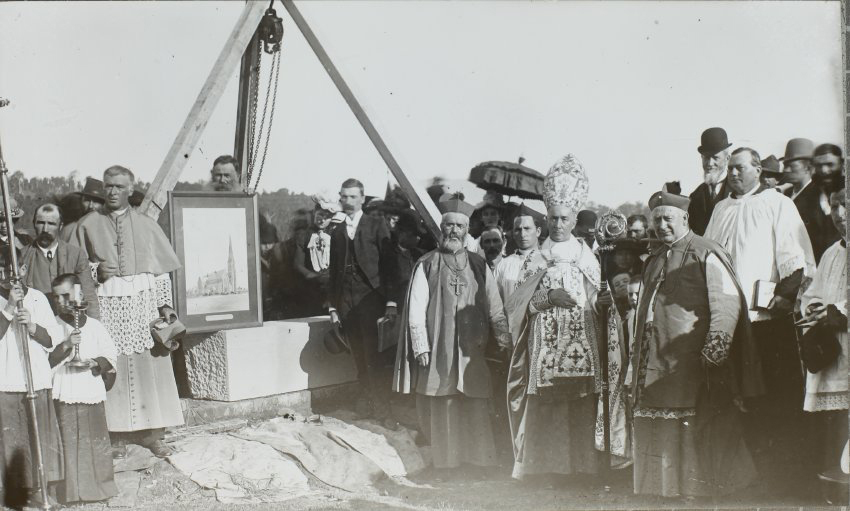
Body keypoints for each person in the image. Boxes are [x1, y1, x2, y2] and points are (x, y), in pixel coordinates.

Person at [629, 190, 759, 498]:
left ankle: (697, 490)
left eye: (668, 219)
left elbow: (726, 302)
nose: (661, 225)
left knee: (696, 424)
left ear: (685, 218)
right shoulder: (656, 258)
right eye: (657, 219)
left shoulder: (705, 251)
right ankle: (664, 489)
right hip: (655, 354)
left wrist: (716, 346)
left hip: (690, 359)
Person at [505, 154, 626, 480]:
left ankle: (583, 470)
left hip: (581, 351)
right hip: (544, 350)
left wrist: (603, 303)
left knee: (580, 404)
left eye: (564, 218)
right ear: (547, 219)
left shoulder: (587, 256)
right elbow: (517, 308)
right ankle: (546, 471)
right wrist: (546, 299)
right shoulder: (535, 258)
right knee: (548, 409)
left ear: (574, 220)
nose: (558, 224)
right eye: (553, 218)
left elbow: (600, 307)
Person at [704, 147, 815, 492]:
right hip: (726, 318)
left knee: (773, 397)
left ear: (758, 170)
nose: (733, 174)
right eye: (731, 169)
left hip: (764, 320)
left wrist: (780, 299)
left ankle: (784, 477)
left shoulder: (776, 204)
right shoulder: (721, 208)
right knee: (737, 400)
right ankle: (742, 476)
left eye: (740, 168)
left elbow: (796, 259)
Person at [72, 165, 183, 458]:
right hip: (108, 302)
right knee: (112, 363)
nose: (112, 191)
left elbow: (160, 272)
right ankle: (116, 435)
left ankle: (153, 434)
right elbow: (74, 270)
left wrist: (166, 305)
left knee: (150, 366)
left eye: (119, 186)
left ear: (130, 190)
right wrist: (96, 270)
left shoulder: (146, 224)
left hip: (143, 302)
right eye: (108, 186)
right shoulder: (87, 224)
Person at [393, 195, 511, 470]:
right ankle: (447, 465)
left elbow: (494, 305)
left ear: (467, 230)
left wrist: (504, 339)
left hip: (473, 349)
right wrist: (421, 346)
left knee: (475, 402)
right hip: (439, 348)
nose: (453, 231)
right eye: (449, 225)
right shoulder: (426, 263)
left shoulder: (479, 264)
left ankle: (480, 462)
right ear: (441, 228)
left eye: (459, 226)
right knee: (444, 401)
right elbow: (416, 310)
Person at [328, 178, 397, 420]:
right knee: (357, 352)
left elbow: (390, 265)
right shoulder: (336, 231)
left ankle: (383, 407)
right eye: (344, 196)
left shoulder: (376, 224)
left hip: (372, 297)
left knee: (374, 355)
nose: (348, 201)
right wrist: (333, 307)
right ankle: (368, 402)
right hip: (346, 299)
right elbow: (333, 269)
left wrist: (390, 301)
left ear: (362, 198)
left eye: (353, 197)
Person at [0, 245, 63, 508]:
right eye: (0, 269)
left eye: (12, 269)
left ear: (23, 269)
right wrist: (8, 309)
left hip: (35, 377)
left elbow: (53, 340)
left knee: (40, 436)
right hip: (7, 378)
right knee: (13, 440)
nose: (6, 274)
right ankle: (15, 494)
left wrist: (33, 327)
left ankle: (42, 489)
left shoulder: (38, 298)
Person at [48, 273, 118, 504]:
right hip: (65, 388)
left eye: (66, 296)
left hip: (89, 388)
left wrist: (96, 362)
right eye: (57, 298)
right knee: (69, 441)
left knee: (95, 439)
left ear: (78, 294)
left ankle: (99, 488)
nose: (61, 302)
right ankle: (71, 492)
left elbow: (110, 353)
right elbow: (45, 359)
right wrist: (66, 346)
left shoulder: (95, 326)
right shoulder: (52, 325)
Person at [797, 184, 847, 486]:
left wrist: (835, 312)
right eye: (835, 205)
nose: (839, 214)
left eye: (847, 204)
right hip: (833, 353)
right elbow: (812, 293)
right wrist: (815, 307)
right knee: (837, 426)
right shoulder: (832, 252)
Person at [20, 203, 100, 319]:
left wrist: (94, 327)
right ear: (34, 224)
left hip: (70, 323)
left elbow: (88, 295)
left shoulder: (76, 255)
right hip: (37, 323)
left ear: (60, 226)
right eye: (41, 223)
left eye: (51, 224)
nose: (45, 229)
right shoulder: (23, 256)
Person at [781, 138, 837, 263]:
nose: (786, 170)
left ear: (808, 168)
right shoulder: (786, 193)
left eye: (791, 166)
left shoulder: (820, 195)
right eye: (785, 165)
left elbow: (828, 238)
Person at [292, 197, 337, 317]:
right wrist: (309, 274)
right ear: (314, 213)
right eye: (320, 215)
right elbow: (298, 264)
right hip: (311, 284)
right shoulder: (304, 235)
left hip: (331, 283)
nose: (322, 220)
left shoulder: (335, 235)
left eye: (327, 217)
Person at [688, 127, 732, 235]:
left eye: (715, 157)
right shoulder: (695, 195)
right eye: (706, 157)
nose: (709, 163)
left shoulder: (738, 190)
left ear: (727, 158)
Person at [494, 206, 541, 301]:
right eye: (518, 230)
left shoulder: (549, 263)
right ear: (513, 233)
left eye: (527, 228)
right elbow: (494, 302)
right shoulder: (504, 264)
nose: (522, 234)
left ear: (538, 231)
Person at [60, 178, 105, 243]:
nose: (90, 206)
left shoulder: (109, 231)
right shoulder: (69, 230)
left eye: (96, 201)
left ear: (103, 204)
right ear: (81, 201)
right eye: (87, 200)